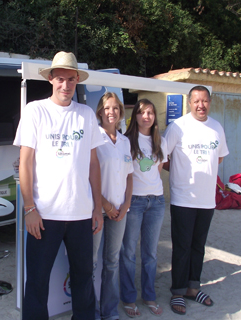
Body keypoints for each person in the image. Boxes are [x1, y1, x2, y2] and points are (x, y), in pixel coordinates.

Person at [13, 51, 104, 320]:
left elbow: (93, 165)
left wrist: (97, 207)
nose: (66, 85)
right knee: (37, 283)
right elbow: (25, 163)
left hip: (80, 215)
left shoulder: (86, 115)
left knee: (83, 280)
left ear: (77, 81)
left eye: (71, 79)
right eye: (61, 78)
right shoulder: (35, 111)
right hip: (44, 215)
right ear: (51, 79)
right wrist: (30, 208)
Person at [163, 85, 229, 315]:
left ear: (210, 102)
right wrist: (179, 172)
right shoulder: (178, 127)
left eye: (205, 101)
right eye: (196, 101)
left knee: (198, 247)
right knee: (181, 247)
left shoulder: (216, 128)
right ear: (189, 103)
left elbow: (218, 158)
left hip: (206, 201)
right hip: (183, 198)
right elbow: (162, 157)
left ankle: (193, 287)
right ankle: (178, 292)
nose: (201, 105)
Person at [119, 99, 168, 317]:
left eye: (150, 112)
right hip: (134, 202)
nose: (146, 116)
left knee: (150, 253)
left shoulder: (161, 141)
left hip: (156, 202)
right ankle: (129, 299)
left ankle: (149, 296)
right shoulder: (127, 140)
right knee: (128, 252)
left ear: (154, 116)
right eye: (141, 112)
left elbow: (158, 170)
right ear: (135, 117)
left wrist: (151, 191)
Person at [93, 92, 134, 320]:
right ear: (100, 111)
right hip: (98, 210)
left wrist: (126, 204)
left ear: (120, 112)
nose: (112, 112)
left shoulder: (125, 141)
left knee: (112, 262)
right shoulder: (95, 138)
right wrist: (105, 204)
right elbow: (88, 176)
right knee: (90, 264)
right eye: (107, 108)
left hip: (120, 211)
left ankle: (109, 313)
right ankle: (92, 312)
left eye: (116, 108)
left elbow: (129, 175)